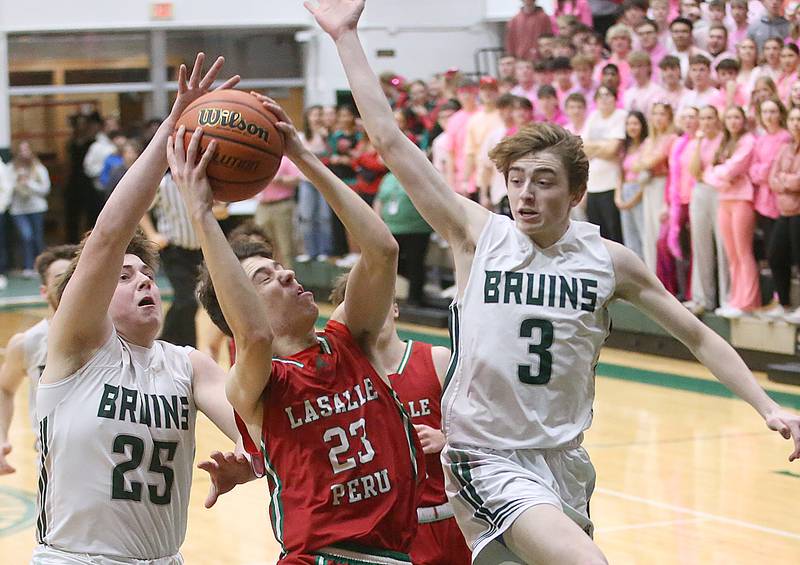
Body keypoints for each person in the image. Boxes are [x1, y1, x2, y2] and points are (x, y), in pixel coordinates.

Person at [310, 4, 800, 564]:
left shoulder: (609, 261)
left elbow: (698, 335)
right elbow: (392, 142)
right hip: (485, 457)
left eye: (544, 182)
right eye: (516, 180)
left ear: (574, 194)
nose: (525, 194)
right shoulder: (476, 235)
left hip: (565, 461)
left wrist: (769, 407)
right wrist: (346, 36)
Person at [169, 93, 423, 564]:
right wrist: (201, 215)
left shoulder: (353, 341)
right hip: (323, 556)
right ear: (240, 310)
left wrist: (303, 157)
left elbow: (382, 250)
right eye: (263, 278)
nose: (286, 274)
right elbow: (256, 337)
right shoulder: (253, 388)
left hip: (395, 554)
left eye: (279, 266)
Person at [31, 54, 244, 564]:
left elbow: (261, 431)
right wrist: (172, 131)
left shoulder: (189, 366)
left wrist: (256, 461)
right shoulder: (75, 351)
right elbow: (107, 238)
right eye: (124, 278)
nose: (142, 280)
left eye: (146, 275)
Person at [328, 272, 470, 565]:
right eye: (361, 309)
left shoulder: (437, 358)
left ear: (394, 307)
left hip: (458, 519)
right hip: (398, 533)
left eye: (377, 303)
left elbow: (486, 431)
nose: (372, 315)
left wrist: (448, 439)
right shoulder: (346, 383)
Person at [0, 245, 77, 475]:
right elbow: (4, 388)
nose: (68, 284)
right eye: (60, 278)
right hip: (52, 467)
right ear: (44, 291)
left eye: (74, 275)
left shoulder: (111, 336)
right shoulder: (28, 343)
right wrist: (2, 436)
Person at [703, 106, 760, 318]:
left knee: (743, 252)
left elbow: (733, 168)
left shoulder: (748, 141)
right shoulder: (724, 143)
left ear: (743, 120)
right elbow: (708, 173)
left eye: (737, 117)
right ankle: (736, 299)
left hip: (742, 199)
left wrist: (722, 172)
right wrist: (722, 173)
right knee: (731, 254)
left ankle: (748, 302)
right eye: (729, 117)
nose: (733, 121)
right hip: (724, 199)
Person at [138, 170, 204, 348]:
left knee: (186, 301)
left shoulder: (198, 182)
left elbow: (219, 210)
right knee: (188, 300)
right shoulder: (163, 184)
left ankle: (163, 342)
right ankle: (189, 348)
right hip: (173, 250)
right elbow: (141, 208)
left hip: (197, 251)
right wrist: (152, 234)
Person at [685, 105, 728, 315]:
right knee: (700, 245)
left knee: (723, 245)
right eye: (703, 118)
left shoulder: (724, 139)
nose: (707, 122)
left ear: (717, 120)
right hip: (700, 192)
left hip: (720, 192)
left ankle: (726, 298)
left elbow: (717, 167)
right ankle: (703, 298)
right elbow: (694, 171)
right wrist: (700, 141)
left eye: (711, 118)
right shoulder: (697, 142)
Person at [767, 106, 800, 324]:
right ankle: (784, 303)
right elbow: (772, 178)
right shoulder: (785, 149)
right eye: (793, 119)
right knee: (775, 255)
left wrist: (784, 180)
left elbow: (798, 181)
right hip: (785, 211)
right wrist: (785, 182)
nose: (796, 123)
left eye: (799, 119)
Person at [582, 85, 626, 242]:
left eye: (608, 95)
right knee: (598, 237)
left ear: (615, 98)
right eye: (600, 96)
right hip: (593, 185)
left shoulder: (621, 116)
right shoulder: (593, 116)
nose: (604, 99)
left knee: (614, 235)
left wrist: (595, 148)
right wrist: (604, 145)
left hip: (612, 185)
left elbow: (613, 149)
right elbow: (582, 147)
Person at [635, 102, 677, 271]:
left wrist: (646, 163)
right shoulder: (649, 140)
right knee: (649, 232)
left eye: (662, 114)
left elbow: (653, 161)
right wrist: (645, 163)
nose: (658, 118)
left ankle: (666, 278)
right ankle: (652, 272)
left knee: (661, 232)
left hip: (663, 185)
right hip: (649, 186)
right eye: (655, 114)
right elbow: (635, 165)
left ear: (669, 118)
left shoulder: (671, 139)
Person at [296, 105, 333, 262]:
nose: (317, 118)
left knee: (324, 217)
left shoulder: (326, 135)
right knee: (306, 216)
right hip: (306, 181)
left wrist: (326, 136)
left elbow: (332, 154)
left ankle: (324, 250)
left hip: (323, 181)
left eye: (319, 114)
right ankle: (311, 251)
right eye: (313, 115)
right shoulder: (302, 137)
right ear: (307, 117)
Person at [9, 141, 51, 277]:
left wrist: (29, 183)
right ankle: (27, 266)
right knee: (26, 236)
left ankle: (39, 266)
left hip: (36, 208)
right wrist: (17, 182)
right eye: (21, 151)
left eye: (26, 150)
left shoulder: (39, 168)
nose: (24, 154)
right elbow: (6, 187)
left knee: (37, 237)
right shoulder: (11, 168)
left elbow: (45, 189)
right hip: (18, 209)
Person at [617, 111, 648, 259]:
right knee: (630, 237)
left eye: (635, 123)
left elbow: (647, 178)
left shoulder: (647, 146)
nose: (632, 127)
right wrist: (618, 198)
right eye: (629, 124)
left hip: (639, 192)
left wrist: (633, 200)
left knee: (644, 234)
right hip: (625, 191)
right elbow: (620, 174)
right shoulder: (625, 148)